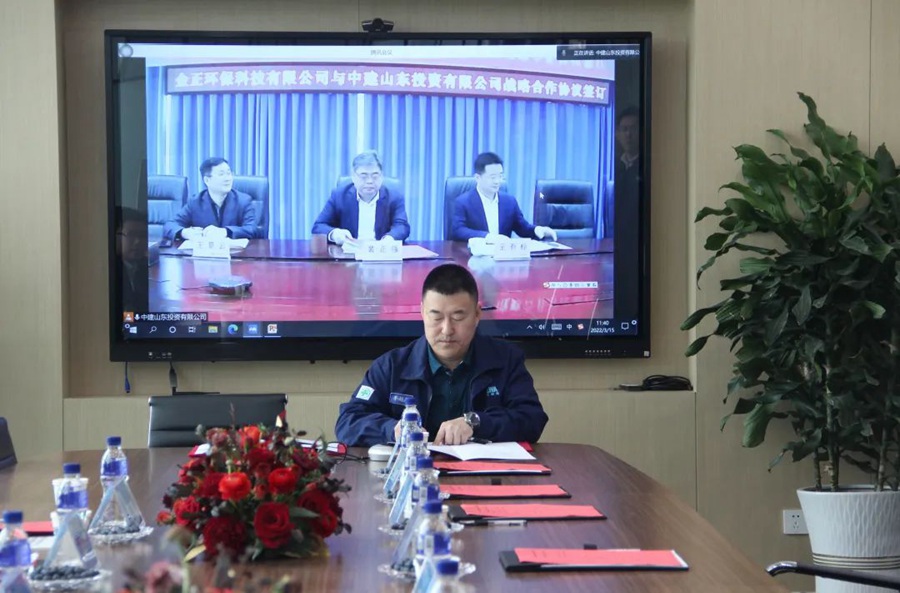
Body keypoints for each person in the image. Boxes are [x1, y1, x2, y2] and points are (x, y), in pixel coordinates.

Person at [335, 263, 548, 447]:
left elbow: (532, 419)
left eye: (458, 317)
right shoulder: (391, 366)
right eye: (436, 317)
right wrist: (393, 430)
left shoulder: (505, 360)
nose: (447, 330)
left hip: (483, 475)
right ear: (422, 313)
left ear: (477, 314)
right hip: (413, 473)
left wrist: (476, 422)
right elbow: (348, 421)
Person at [450, 152, 557, 242]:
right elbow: (458, 230)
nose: (497, 181)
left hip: (502, 257)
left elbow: (522, 227)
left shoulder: (509, 201)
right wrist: (487, 237)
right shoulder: (463, 202)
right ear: (478, 178)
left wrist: (538, 230)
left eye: (500, 176)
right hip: (472, 257)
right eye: (492, 177)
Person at [312, 150, 410, 245]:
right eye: (364, 176)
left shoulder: (394, 196)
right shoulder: (339, 195)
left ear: (381, 177)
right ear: (353, 177)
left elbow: (402, 226)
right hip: (348, 253)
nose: (369, 181)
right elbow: (319, 226)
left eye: (375, 176)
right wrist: (335, 233)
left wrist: (390, 238)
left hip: (380, 252)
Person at [163, 157, 258, 242]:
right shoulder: (195, 202)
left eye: (229, 173)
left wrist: (225, 232)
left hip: (236, 254)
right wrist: (184, 232)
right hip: (204, 254)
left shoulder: (243, 201)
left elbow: (252, 229)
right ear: (207, 180)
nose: (228, 178)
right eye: (221, 174)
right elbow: (170, 225)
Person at [115, 206, 149, 313]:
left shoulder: (144, 265)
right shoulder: (106, 269)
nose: (137, 241)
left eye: (142, 235)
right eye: (131, 235)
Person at [614, 106, 640, 202]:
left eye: (633, 129)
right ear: (617, 134)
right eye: (624, 129)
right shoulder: (614, 165)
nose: (628, 134)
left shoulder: (647, 165)